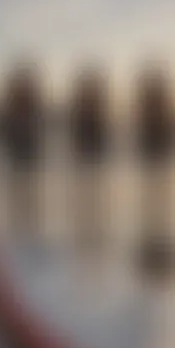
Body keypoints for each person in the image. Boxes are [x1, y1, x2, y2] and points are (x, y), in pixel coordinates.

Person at [135, 65, 175, 276]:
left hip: (158, 152)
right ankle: (153, 229)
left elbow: (166, 123)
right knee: (152, 193)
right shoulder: (150, 102)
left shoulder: (159, 102)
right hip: (152, 151)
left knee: (159, 192)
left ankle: (159, 229)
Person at [0, 62, 43, 237]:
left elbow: (36, 119)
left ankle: (26, 215)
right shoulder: (17, 98)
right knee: (19, 178)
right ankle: (20, 216)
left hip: (26, 142)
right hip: (20, 142)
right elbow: (7, 120)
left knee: (26, 179)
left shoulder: (27, 97)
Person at [69, 66, 110, 246]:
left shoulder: (96, 106)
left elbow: (99, 127)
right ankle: (86, 219)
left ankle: (93, 219)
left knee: (94, 187)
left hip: (92, 151)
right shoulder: (84, 106)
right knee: (85, 188)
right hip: (87, 152)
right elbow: (79, 126)